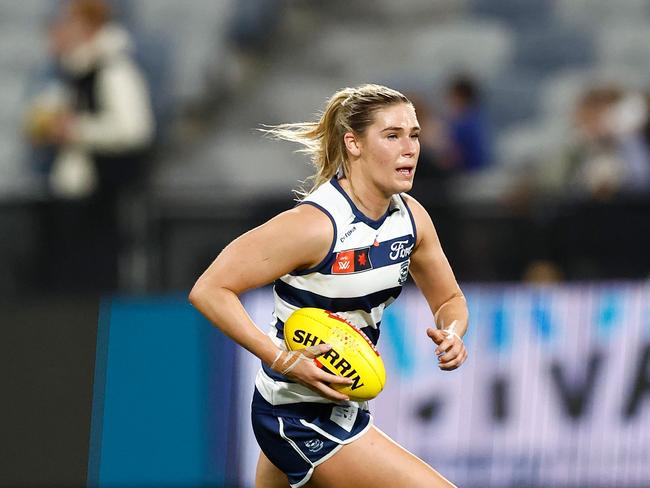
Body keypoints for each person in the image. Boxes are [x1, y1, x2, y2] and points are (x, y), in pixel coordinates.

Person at [189, 84, 469, 488]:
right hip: (296, 413)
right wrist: (282, 359)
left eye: (415, 135)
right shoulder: (314, 225)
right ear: (353, 143)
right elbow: (210, 289)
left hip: (343, 407)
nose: (410, 148)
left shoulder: (412, 219)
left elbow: (450, 299)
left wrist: (452, 332)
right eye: (392, 136)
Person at [25, 0, 154, 291]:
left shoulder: (113, 69)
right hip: (81, 202)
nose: (59, 32)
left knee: (95, 283)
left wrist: (74, 129)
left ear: (87, 27)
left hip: (103, 201)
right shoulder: (73, 73)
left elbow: (134, 129)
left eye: (67, 23)